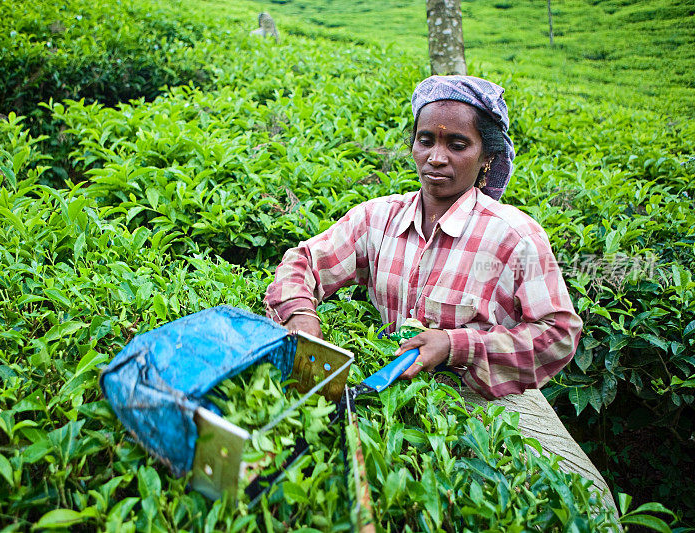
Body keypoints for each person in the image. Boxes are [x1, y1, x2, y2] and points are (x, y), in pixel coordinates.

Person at [264, 75, 617, 514]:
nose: (436, 158)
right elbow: (302, 262)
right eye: (425, 140)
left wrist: (455, 345)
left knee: (590, 507)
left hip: (490, 395)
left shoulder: (514, 235)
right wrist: (301, 318)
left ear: (486, 157)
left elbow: (559, 333)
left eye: (457, 145)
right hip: (394, 383)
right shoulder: (378, 219)